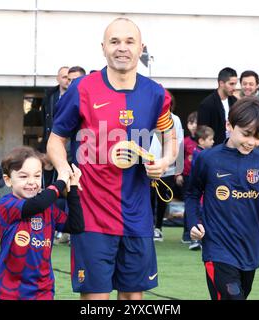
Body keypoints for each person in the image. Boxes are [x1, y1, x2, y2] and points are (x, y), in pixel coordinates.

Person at [47, 17, 178, 300]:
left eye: (129, 41)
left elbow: (171, 138)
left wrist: (165, 162)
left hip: (137, 215)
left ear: (141, 47)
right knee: (96, 298)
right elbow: (56, 140)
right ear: (103, 47)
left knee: (133, 297)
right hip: (91, 213)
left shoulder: (156, 94)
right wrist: (63, 171)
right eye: (115, 41)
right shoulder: (81, 88)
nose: (122, 48)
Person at [185, 97, 259, 300]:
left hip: (249, 249)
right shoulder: (208, 159)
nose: (252, 142)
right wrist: (193, 222)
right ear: (229, 125)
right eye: (246, 134)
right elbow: (192, 194)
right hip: (217, 249)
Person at [0, 146, 84, 300]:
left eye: (37, 176)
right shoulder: (7, 204)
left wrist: (72, 188)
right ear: (7, 180)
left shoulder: (49, 208)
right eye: (23, 176)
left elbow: (76, 226)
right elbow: (36, 205)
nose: (32, 182)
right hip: (11, 289)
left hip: (43, 289)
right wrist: (61, 181)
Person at [149, 91, 184, 242]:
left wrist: (178, 169)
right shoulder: (146, 116)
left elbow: (179, 142)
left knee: (163, 198)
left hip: (167, 166)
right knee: (148, 198)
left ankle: (158, 228)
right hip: (148, 166)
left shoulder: (174, 119)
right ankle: (149, 226)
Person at [187, 125, 214, 251]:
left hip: (202, 189)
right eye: (210, 139)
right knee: (200, 212)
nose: (213, 142)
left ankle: (198, 238)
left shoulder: (200, 153)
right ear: (201, 141)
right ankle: (196, 238)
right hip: (201, 189)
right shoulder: (201, 155)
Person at [197, 67, 238, 145]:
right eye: (231, 84)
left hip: (233, 148)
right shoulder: (207, 104)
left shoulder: (235, 102)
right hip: (214, 149)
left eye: (235, 84)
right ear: (221, 83)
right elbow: (202, 133)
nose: (234, 88)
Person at [176, 111, 198, 244]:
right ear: (188, 125)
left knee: (199, 206)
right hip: (187, 177)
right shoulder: (185, 142)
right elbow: (178, 159)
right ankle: (186, 233)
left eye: (196, 123)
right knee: (188, 204)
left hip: (200, 178)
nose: (194, 125)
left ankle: (198, 232)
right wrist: (178, 174)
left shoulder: (205, 141)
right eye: (191, 123)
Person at [40, 66, 69, 152]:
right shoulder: (49, 97)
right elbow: (45, 120)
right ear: (57, 79)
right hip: (51, 139)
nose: (67, 80)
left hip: (69, 142)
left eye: (69, 78)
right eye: (64, 77)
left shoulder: (76, 95)